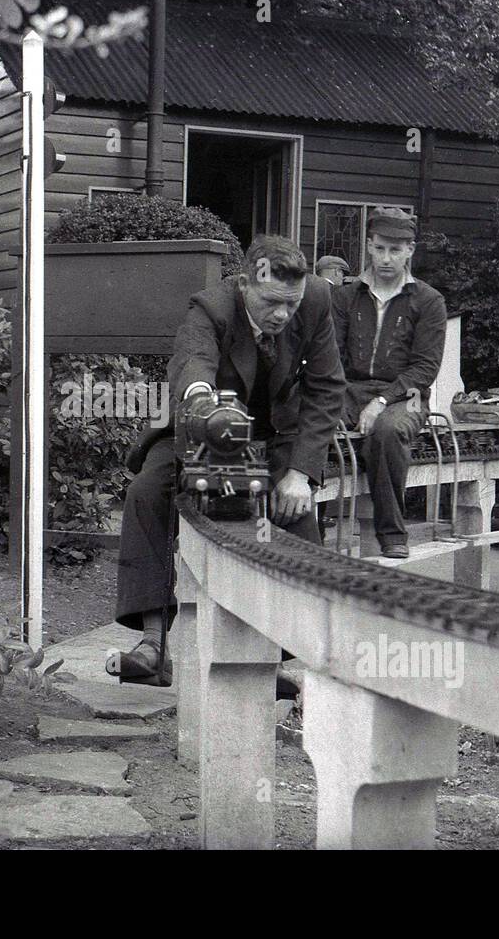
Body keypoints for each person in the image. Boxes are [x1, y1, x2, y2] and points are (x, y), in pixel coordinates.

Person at [111, 235, 346, 686]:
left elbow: (326, 388)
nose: (282, 314)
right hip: (205, 428)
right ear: (244, 284)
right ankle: (154, 644)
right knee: (147, 493)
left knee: (295, 517)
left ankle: (275, 658)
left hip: (276, 433)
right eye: (272, 302)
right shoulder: (210, 308)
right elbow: (192, 362)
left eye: (290, 304)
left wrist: (300, 472)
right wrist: (202, 401)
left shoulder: (315, 298)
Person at [330, 207, 446, 559]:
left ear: (410, 250)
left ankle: (392, 533)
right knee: (308, 419)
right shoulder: (345, 297)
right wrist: (329, 399)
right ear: (368, 245)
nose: (386, 258)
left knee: (388, 431)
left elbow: (425, 368)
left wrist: (381, 401)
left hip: (405, 395)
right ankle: (310, 525)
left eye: (395, 250)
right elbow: (331, 354)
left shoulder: (428, 301)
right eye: (379, 248)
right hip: (349, 390)